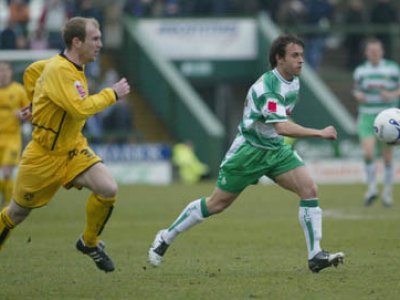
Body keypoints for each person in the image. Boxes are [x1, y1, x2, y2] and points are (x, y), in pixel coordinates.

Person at [148, 34, 345, 273]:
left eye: (302, 55)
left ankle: (315, 255)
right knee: (216, 204)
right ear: (278, 59)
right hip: (249, 152)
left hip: (275, 149)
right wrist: (320, 133)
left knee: (309, 190)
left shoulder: (293, 80)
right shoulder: (267, 89)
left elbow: (279, 128)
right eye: (295, 55)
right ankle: (166, 237)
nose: (301, 60)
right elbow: (282, 126)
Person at [0, 17, 131, 273]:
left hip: (72, 148)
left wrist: (33, 105)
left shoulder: (66, 66)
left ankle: (89, 243)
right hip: (43, 155)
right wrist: (112, 93)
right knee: (16, 213)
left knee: (107, 188)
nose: (100, 44)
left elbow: (31, 72)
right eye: (95, 39)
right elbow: (80, 108)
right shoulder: (60, 70)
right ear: (76, 41)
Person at [353, 37, 400, 207]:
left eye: (377, 50)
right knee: (368, 153)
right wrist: (358, 96)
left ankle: (387, 193)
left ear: (382, 51)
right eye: (371, 51)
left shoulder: (393, 69)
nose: (374, 53)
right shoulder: (360, 71)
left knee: (388, 157)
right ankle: (372, 188)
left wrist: (392, 95)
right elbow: (356, 90)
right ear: (366, 53)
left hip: (389, 118)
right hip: (367, 116)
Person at [0, 61, 30, 208]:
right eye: (0, 71)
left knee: (6, 172)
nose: (3, 74)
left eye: (5, 70)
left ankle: (7, 204)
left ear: (11, 72)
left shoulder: (19, 90)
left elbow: (30, 112)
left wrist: (22, 115)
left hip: (12, 138)